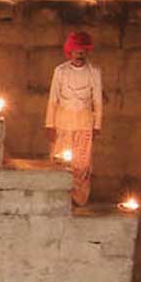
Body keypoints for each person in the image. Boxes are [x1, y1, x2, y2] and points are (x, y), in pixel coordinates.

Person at [43, 31, 104, 206]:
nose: (80, 55)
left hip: (84, 124)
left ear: (87, 53)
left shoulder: (94, 72)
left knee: (82, 165)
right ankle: (56, 199)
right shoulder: (60, 71)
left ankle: (78, 200)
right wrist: (49, 124)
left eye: (83, 52)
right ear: (70, 52)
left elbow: (97, 101)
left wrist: (97, 125)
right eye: (77, 51)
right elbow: (53, 99)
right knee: (60, 161)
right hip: (62, 123)